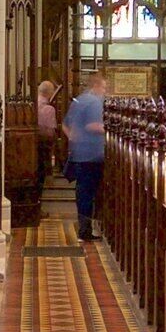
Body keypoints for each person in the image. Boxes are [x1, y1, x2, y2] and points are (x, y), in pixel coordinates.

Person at [62, 81, 107, 241]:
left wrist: (73, 140)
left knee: (82, 192)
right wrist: (110, 130)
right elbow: (93, 125)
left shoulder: (79, 100)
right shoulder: (94, 102)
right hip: (92, 155)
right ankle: (85, 230)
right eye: (104, 88)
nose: (104, 91)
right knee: (88, 193)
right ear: (97, 86)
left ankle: (84, 228)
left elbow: (65, 125)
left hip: (81, 153)